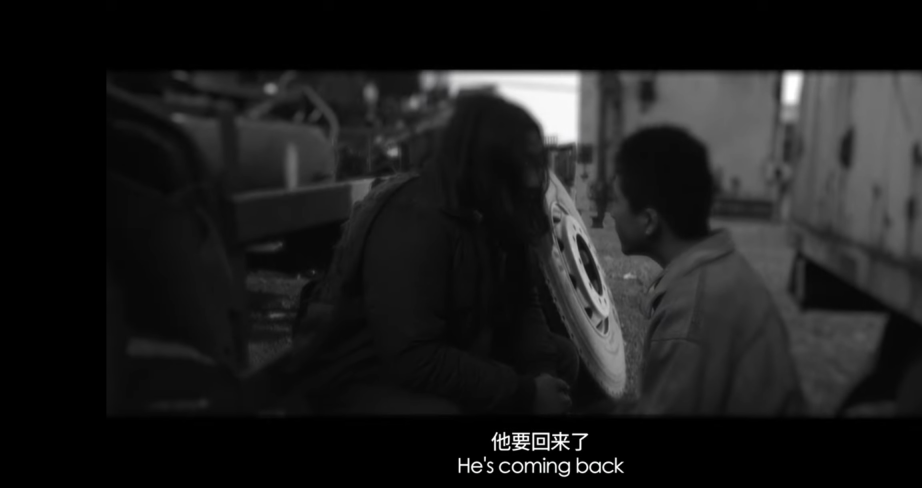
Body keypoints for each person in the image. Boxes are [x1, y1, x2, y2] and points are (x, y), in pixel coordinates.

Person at [297, 93, 579, 415]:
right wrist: (525, 393)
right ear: (486, 160)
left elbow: (524, 304)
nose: (532, 177)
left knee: (562, 358)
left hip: (453, 344)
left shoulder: (497, 209)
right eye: (522, 161)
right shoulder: (415, 218)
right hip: (365, 373)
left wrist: (543, 374)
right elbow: (413, 357)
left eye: (535, 159)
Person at [606, 126, 806, 416]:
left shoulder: (689, 313)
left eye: (616, 200)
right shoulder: (715, 272)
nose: (612, 212)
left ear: (649, 221)